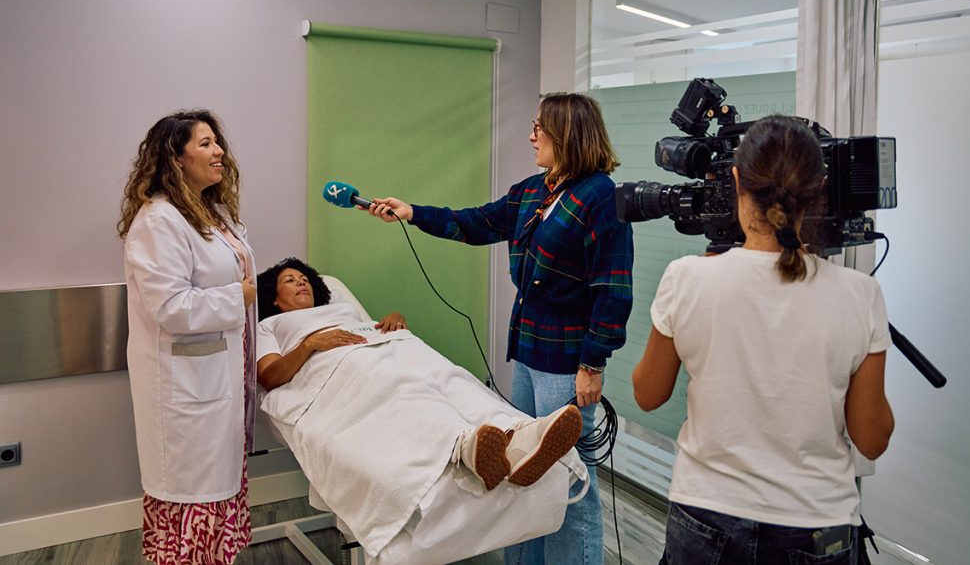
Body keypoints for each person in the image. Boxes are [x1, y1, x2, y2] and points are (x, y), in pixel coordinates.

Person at [366, 92, 634, 564]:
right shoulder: (535, 190)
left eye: (539, 128)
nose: (531, 137)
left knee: (569, 481)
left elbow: (612, 290)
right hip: (528, 351)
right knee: (523, 473)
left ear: (566, 134)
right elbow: (477, 223)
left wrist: (592, 363)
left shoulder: (600, 198)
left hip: (568, 362)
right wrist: (413, 212)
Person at [632, 115, 895, 565]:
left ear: (737, 181)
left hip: (706, 516)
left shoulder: (687, 278)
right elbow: (872, 439)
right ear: (820, 189)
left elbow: (647, 393)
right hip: (815, 526)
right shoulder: (860, 294)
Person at [255, 257, 583, 492]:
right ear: (274, 299)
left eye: (304, 278)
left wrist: (391, 319)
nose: (301, 282)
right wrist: (310, 344)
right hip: (339, 362)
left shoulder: (340, 309)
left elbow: (369, 327)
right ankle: (465, 445)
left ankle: (520, 433)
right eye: (290, 280)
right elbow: (269, 376)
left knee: (448, 376)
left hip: (383, 345)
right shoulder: (270, 325)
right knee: (402, 385)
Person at [118, 109, 257, 565]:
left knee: (216, 490)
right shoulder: (159, 220)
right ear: (176, 158)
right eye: (205, 143)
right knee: (192, 497)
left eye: (218, 142)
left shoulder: (209, 213)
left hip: (216, 378)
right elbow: (171, 307)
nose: (220, 152)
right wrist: (238, 296)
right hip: (186, 388)